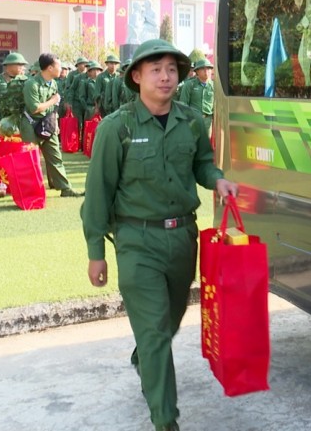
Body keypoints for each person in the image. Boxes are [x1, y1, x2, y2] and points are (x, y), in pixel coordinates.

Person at [81, 39, 238, 431]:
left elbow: (203, 163)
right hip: (137, 242)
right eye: (156, 69)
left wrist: (217, 180)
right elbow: (97, 194)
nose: (166, 77)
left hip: (182, 238)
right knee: (154, 331)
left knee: (169, 321)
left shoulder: (190, 120)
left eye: (172, 69)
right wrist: (95, 251)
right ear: (137, 77)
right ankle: (166, 420)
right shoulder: (117, 128)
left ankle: (143, 359)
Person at [20, 53, 83, 197]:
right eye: (58, 66)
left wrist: (55, 121)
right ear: (49, 68)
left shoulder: (53, 83)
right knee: (31, 158)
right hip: (30, 124)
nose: (61, 69)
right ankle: (30, 190)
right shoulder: (32, 84)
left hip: (48, 122)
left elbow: (54, 108)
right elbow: (34, 108)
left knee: (55, 156)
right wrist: (53, 100)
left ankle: (64, 188)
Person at [0, 52, 28, 131]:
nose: (23, 68)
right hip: (0, 121)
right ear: (9, 66)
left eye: (23, 65)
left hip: (19, 123)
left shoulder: (25, 81)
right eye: (20, 65)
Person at [176, 58, 215, 132]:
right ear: (197, 71)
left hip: (208, 121)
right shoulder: (189, 85)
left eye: (208, 69)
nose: (206, 71)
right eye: (203, 69)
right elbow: (183, 104)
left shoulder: (214, 86)